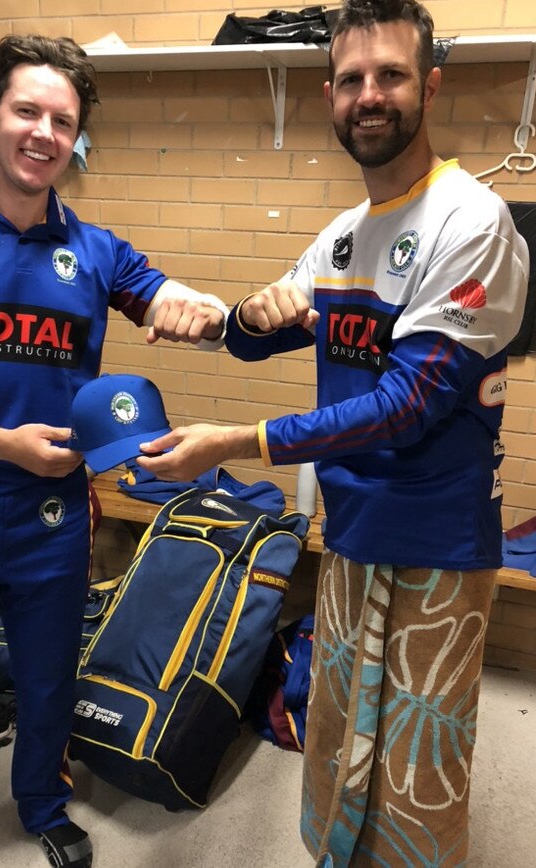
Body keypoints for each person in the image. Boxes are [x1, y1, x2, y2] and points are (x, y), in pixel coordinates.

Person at [137, 1, 529, 864]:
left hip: (438, 546)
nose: (369, 95)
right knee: (340, 728)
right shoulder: (343, 237)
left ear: (428, 86)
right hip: (351, 532)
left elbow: (409, 404)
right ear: (329, 95)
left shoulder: (472, 224)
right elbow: (249, 335)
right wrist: (240, 308)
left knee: (418, 761)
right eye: (351, 79)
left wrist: (236, 442)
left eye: (389, 74)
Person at [0, 34, 228, 868]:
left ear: (77, 137)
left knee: (48, 685)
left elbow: (172, 298)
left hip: (53, 513)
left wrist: (204, 307)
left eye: (62, 120)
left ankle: (42, 801)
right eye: (26, 111)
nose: (43, 133)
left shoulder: (99, 250)